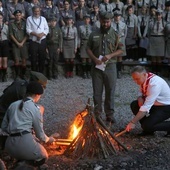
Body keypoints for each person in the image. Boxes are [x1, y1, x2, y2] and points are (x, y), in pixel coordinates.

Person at [1, 81, 56, 168]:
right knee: (43, 156)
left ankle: (20, 160)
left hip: (9, 145)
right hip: (23, 142)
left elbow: (4, 127)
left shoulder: (13, 105)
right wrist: (49, 139)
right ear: (37, 95)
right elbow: (40, 135)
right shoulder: (35, 108)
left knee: (27, 151)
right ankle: (22, 165)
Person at [87, 12, 124, 124]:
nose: (105, 24)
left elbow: (121, 50)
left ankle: (109, 114)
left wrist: (110, 55)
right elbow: (88, 49)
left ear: (111, 21)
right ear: (100, 21)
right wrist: (94, 59)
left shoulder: (116, 34)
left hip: (110, 66)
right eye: (103, 21)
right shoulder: (94, 34)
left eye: (107, 22)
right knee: (97, 92)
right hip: (97, 67)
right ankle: (97, 114)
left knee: (110, 91)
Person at [125, 66, 170, 137]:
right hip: (155, 104)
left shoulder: (154, 84)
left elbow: (146, 107)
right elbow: (142, 91)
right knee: (134, 104)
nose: (136, 82)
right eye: (134, 80)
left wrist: (133, 122)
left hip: (165, 107)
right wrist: (140, 98)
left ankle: (153, 127)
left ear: (144, 74)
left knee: (146, 125)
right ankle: (149, 130)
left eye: (137, 79)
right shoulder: (145, 78)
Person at [26, 6, 49, 74]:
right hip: (33, 40)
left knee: (42, 57)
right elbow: (28, 30)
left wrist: (41, 35)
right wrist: (36, 35)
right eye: (35, 11)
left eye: (38, 11)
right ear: (33, 11)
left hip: (42, 40)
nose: (37, 13)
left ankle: (41, 74)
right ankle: (34, 75)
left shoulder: (43, 19)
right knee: (33, 58)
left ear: (40, 11)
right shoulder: (29, 19)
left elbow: (46, 29)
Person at [9, 10, 28, 79]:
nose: (18, 16)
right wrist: (17, 43)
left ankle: (23, 75)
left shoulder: (24, 23)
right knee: (16, 60)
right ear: (14, 16)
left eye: (19, 15)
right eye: (17, 15)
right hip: (15, 44)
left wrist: (22, 43)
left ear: (21, 16)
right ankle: (17, 75)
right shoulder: (11, 24)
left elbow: (27, 34)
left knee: (24, 60)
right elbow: (11, 34)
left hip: (23, 44)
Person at [78, 14, 92, 79]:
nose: (86, 20)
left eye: (88, 19)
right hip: (83, 42)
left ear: (89, 20)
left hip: (89, 43)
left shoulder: (92, 27)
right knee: (83, 58)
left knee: (89, 59)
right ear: (84, 20)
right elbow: (78, 36)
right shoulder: (81, 27)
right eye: (85, 19)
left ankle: (88, 72)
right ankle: (84, 72)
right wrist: (78, 44)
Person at [0, 12, 9, 82]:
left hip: (5, 42)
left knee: (4, 59)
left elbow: (8, 35)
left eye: (0, 18)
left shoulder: (5, 26)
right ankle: (0, 75)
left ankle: (4, 75)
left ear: (2, 18)